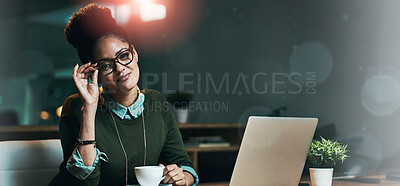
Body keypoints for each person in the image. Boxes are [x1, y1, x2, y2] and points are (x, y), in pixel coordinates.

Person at [49, 3, 198, 186]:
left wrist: (182, 178)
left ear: (134, 53)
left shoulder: (156, 102)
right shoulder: (76, 107)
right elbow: (86, 183)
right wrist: (89, 108)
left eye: (124, 55)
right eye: (106, 65)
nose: (120, 68)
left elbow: (185, 166)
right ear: (95, 74)